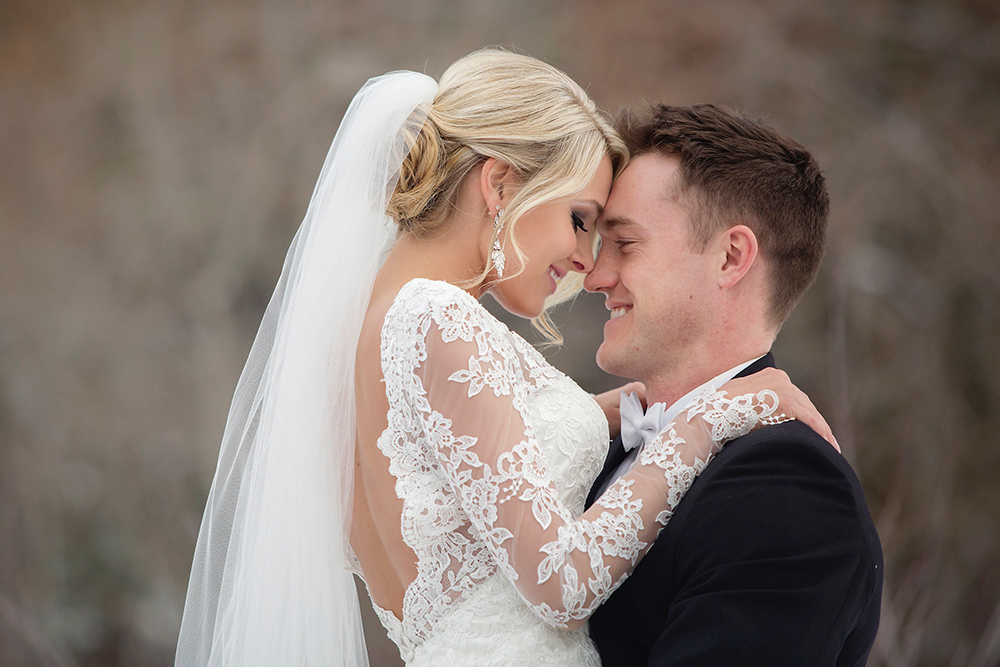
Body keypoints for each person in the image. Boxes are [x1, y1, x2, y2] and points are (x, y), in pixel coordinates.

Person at [174, 50, 836, 667]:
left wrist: (620, 411)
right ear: (501, 183)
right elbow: (560, 582)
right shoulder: (436, 319)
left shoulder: (353, 341)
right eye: (581, 218)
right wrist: (710, 419)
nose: (587, 260)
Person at [584, 104, 883, 666]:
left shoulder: (788, 489)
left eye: (623, 243)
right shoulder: (598, 441)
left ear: (731, 256)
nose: (595, 276)